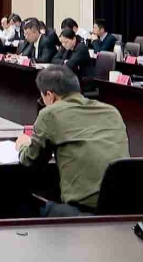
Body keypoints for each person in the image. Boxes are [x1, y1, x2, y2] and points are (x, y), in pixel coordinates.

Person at [16, 66, 129, 216]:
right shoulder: (111, 111)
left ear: (50, 96)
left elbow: (31, 160)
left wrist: (23, 145)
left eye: (42, 98)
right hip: (124, 204)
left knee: (27, 204)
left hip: (84, 211)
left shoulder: (50, 113)